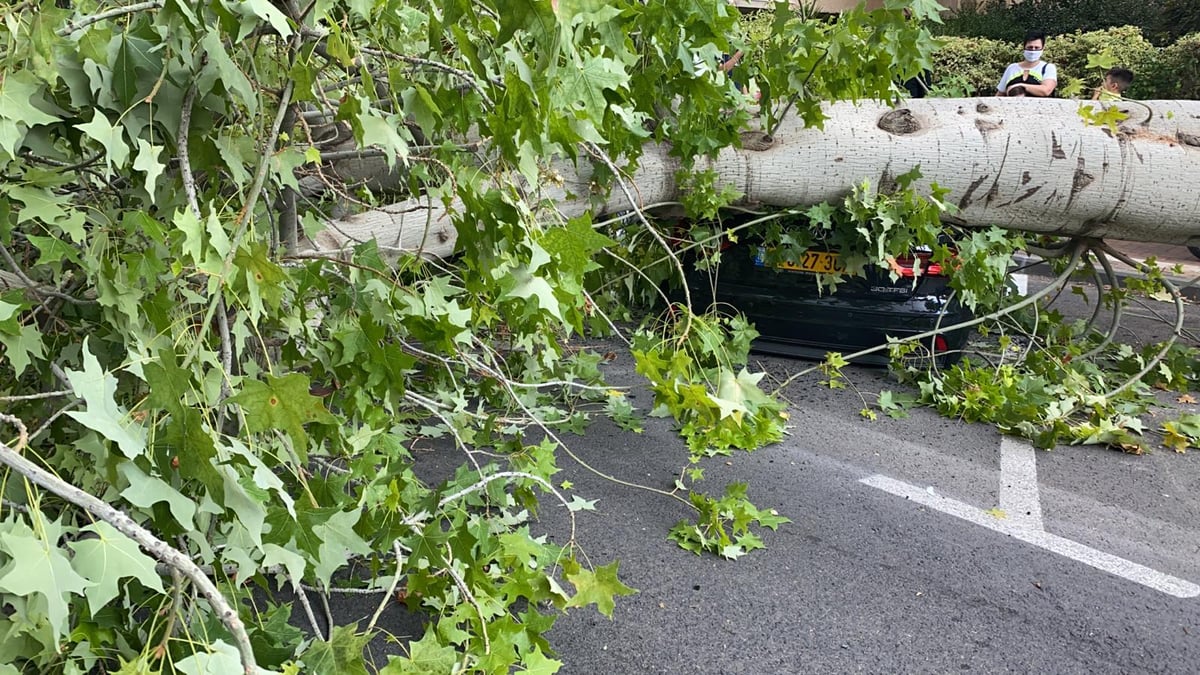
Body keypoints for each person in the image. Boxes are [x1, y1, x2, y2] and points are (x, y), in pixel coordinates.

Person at [997, 30, 1058, 98]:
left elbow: (1046, 90)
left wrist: (1020, 86)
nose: (1033, 50)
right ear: (1024, 47)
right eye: (1030, 47)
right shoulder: (1011, 68)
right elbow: (1000, 94)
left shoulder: (1048, 68)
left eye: (1037, 48)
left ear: (1043, 48)